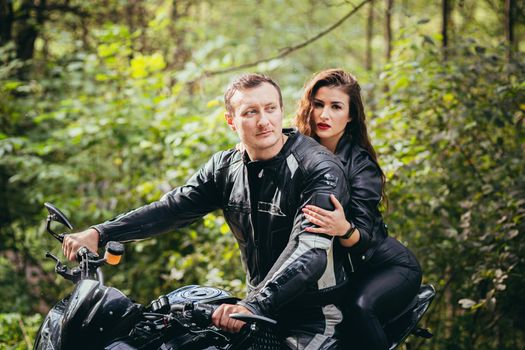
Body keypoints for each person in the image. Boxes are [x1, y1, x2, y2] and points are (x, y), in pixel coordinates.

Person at [62, 73, 351, 349]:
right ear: (231, 121)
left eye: (270, 109)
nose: (264, 121)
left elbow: (309, 249)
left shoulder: (317, 167)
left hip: (315, 316)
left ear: (281, 111)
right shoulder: (225, 168)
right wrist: (100, 233)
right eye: (250, 112)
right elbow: (172, 209)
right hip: (257, 311)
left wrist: (254, 304)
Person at [295, 69, 422, 350]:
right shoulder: (295, 150)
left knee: (357, 310)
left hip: (385, 266)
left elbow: (363, 236)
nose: (323, 115)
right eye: (318, 104)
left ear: (350, 116)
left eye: (335, 106)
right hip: (337, 274)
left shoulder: (361, 165)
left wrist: (343, 228)